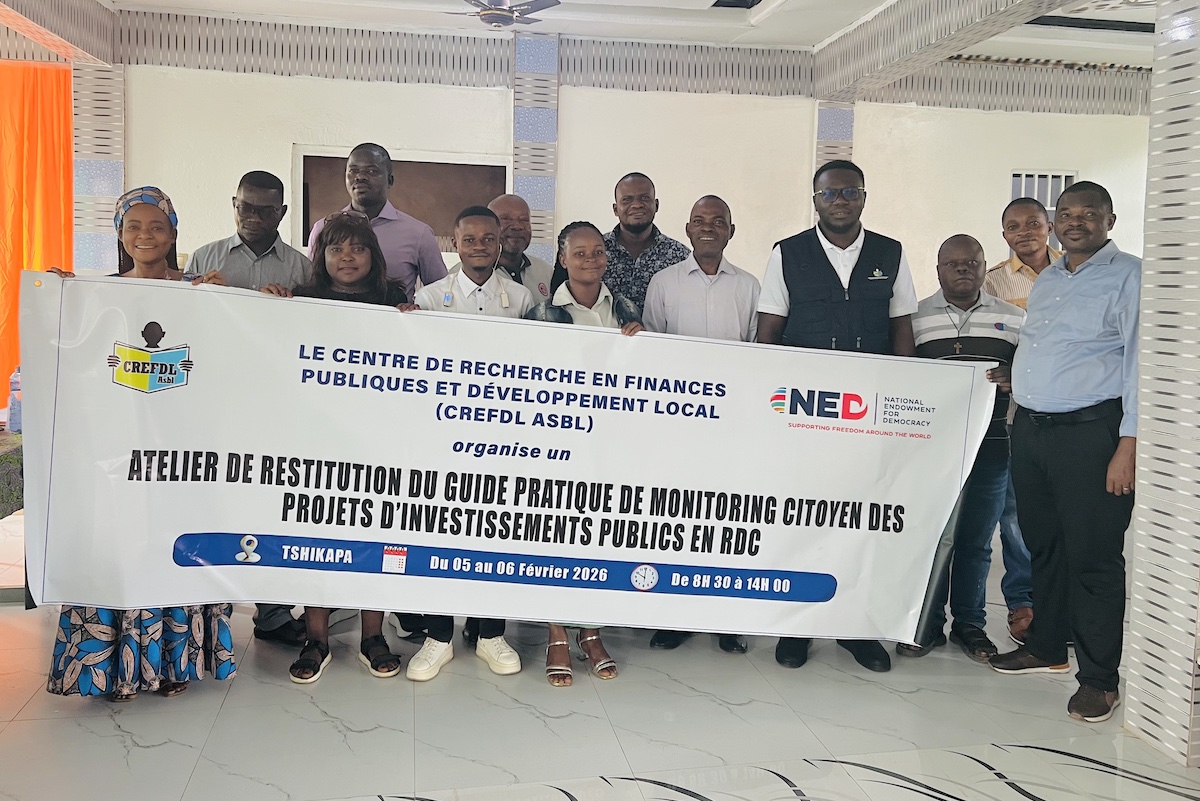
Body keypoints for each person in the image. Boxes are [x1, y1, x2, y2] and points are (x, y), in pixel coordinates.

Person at [46, 187, 235, 701]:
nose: (145, 236)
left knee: (174, 548)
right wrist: (58, 298)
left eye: (157, 226)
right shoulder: (97, 295)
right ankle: (115, 670)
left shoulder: (200, 290)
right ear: (119, 234)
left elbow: (231, 358)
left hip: (182, 459)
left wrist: (230, 302)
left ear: (173, 234)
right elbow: (75, 360)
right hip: (117, 459)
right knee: (119, 551)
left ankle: (172, 664)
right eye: (134, 226)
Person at [757, 159, 919, 674]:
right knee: (802, 515)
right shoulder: (787, 253)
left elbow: (901, 328)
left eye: (850, 192)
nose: (840, 201)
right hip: (805, 412)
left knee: (861, 519)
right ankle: (798, 626)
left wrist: (900, 404)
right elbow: (769, 330)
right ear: (815, 201)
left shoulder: (891, 253)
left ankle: (855, 627)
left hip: (868, 412)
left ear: (864, 197)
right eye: (830, 193)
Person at [989, 181, 1140, 724]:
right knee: (1044, 545)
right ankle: (1047, 645)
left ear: (1110, 220)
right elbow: (1051, 347)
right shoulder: (1051, 278)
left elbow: (1140, 363)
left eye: (1088, 213)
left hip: (1091, 435)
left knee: (1094, 557)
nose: (1076, 221)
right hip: (1032, 431)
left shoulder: (1131, 277)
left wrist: (1129, 443)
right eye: (1067, 213)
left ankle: (1099, 680)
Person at [261, 213, 409, 682]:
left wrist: (415, 325)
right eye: (336, 248)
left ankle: (373, 636)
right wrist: (267, 306)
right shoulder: (301, 300)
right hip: (317, 442)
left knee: (376, 539)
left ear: (373, 256)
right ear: (321, 256)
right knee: (316, 543)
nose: (347, 257)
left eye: (358, 248)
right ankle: (316, 639)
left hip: (378, 441)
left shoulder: (394, 300)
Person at [404, 206, 532, 680]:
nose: (480, 246)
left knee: (496, 532)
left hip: (502, 439)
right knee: (439, 532)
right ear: (454, 244)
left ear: (500, 243)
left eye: (488, 239)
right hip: (443, 439)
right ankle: (439, 636)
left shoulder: (521, 299)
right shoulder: (429, 297)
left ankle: (491, 634)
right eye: (470, 239)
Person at [526, 220, 643, 686]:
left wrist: (642, 343)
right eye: (579, 252)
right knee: (556, 536)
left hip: (613, 442)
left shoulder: (627, 307)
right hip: (559, 443)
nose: (590, 259)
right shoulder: (542, 312)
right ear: (562, 259)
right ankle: (557, 632)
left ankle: (591, 631)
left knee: (600, 536)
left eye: (598, 251)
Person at [642, 195, 759, 654]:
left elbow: (759, 354)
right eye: (699, 221)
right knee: (678, 519)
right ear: (688, 229)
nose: (708, 227)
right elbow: (651, 351)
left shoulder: (749, 286)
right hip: (678, 427)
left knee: (728, 521)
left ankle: (725, 618)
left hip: (732, 426)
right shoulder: (664, 283)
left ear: (731, 230)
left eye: (718, 221)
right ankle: (676, 616)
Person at [900, 234, 1024, 663]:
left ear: (984, 267)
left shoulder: (1014, 319)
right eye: (953, 263)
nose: (963, 269)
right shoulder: (914, 319)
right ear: (938, 270)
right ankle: (927, 625)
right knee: (932, 537)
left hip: (992, 449)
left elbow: (1030, 375)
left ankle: (970, 625)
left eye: (972, 262)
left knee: (976, 541)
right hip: (932, 453)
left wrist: (1015, 377)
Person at [982, 198, 1060, 646]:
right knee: (1016, 516)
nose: (1024, 232)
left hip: (1072, 409)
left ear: (1049, 226)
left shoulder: (1075, 273)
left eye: (1033, 223)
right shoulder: (993, 281)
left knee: (1068, 514)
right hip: (1018, 414)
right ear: (1004, 235)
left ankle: (1063, 605)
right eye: (1014, 226)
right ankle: (1024, 602)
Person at [307, 143, 446, 303]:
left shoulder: (419, 234)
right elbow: (312, 284)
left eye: (372, 171)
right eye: (353, 171)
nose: (360, 177)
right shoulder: (323, 228)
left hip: (391, 317)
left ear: (390, 180)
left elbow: (440, 294)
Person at [550, 173, 690, 311]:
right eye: (627, 200)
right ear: (615, 209)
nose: (637, 205)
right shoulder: (595, 252)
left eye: (644, 198)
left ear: (656, 205)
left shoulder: (680, 256)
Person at [188, 170, 311, 293]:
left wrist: (286, 301)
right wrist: (209, 296)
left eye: (266, 212)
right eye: (245, 208)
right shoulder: (201, 260)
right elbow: (186, 303)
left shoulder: (304, 271)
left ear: (282, 213)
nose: (254, 218)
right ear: (234, 204)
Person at [484, 193, 554, 301]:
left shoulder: (545, 271)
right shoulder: (470, 274)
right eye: (506, 219)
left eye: (524, 220)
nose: (517, 226)